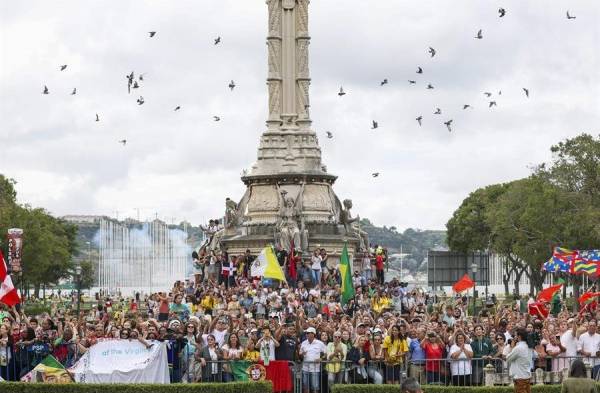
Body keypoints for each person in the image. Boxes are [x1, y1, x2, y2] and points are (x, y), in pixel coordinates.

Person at [300, 327, 326, 393]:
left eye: (308, 333)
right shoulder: (303, 343)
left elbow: (326, 353)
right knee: (305, 386)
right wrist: (302, 354)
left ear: (313, 334)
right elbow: (300, 354)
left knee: (315, 387)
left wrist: (321, 358)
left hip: (315, 369)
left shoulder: (320, 343)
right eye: (306, 333)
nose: (307, 334)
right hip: (305, 368)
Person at [507, 328, 532, 393]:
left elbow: (508, 358)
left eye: (515, 335)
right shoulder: (528, 346)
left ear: (519, 337)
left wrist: (512, 346)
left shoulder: (518, 348)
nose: (514, 337)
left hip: (520, 378)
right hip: (526, 376)